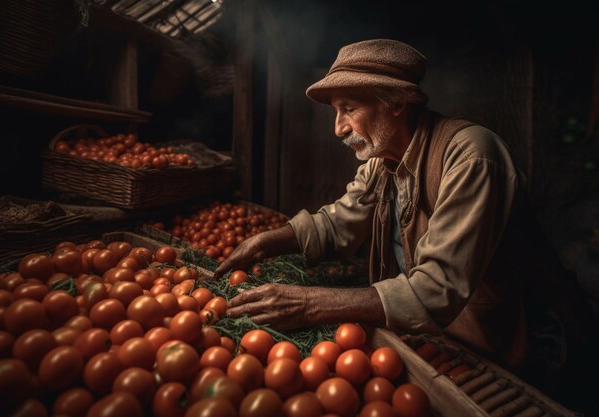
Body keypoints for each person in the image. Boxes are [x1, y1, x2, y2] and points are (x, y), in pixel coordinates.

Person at [214, 39, 593, 390]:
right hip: (448, 339)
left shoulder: (471, 156)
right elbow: (339, 223)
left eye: (349, 109)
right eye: (335, 112)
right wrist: (269, 239)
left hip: (510, 346)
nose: (338, 128)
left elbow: (437, 287)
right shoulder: (382, 163)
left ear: (396, 102)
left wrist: (309, 303)